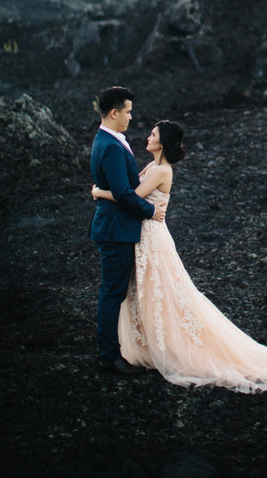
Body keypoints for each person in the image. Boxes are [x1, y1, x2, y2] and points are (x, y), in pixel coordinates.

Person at [92, 118, 267, 393]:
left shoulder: (162, 171)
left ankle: (173, 348)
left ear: (163, 141)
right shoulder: (152, 166)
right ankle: (150, 345)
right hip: (143, 237)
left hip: (152, 238)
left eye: (153, 134)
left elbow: (130, 197)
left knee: (166, 291)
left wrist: (99, 191)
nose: (147, 137)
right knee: (147, 291)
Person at [89, 85, 166, 374]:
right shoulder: (108, 145)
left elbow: (115, 189)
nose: (131, 117)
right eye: (128, 112)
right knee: (112, 293)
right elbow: (122, 192)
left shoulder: (107, 140)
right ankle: (108, 356)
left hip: (114, 227)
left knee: (114, 291)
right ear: (114, 112)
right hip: (115, 230)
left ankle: (112, 351)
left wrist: (99, 191)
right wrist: (150, 210)